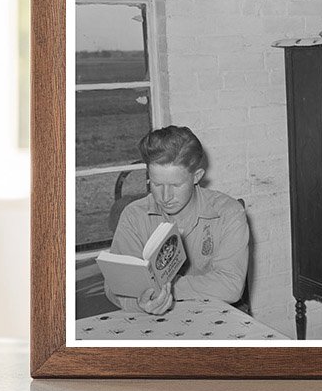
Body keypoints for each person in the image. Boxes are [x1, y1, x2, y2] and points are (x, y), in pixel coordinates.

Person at [104, 125, 249, 315]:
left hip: (215, 315)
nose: (165, 196)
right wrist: (140, 303)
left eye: (175, 185)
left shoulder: (228, 213)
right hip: (151, 319)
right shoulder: (134, 215)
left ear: (197, 177)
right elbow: (114, 286)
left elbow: (230, 286)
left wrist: (165, 289)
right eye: (156, 184)